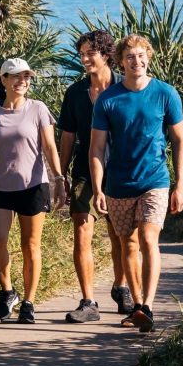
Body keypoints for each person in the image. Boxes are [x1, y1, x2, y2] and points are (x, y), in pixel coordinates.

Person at [90, 34, 183, 333]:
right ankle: (137, 305)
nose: (137, 61)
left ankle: (147, 306)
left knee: (148, 238)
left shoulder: (165, 93)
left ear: (149, 58)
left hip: (154, 180)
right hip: (118, 183)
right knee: (127, 244)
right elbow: (96, 148)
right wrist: (97, 189)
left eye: (142, 55)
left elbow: (180, 140)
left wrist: (179, 185)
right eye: (130, 57)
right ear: (120, 61)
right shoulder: (108, 99)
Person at [0, 58, 66, 324]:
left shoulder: (38, 109)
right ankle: (8, 292)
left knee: (30, 245)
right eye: (16, 77)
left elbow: (49, 147)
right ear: (4, 80)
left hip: (33, 186)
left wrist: (58, 179)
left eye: (27, 77)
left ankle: (29, 303)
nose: (23, 81)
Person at [58, 29, 134, 323]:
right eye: (82, 54)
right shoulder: (75, 93)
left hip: (119, 172)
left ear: (106, 55)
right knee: (81, 232)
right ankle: (88, 301)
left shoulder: (124, 89)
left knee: (120, 235)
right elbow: (67, 136)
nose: (85, 59)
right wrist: (60, 175)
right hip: (83, 173)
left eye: (91, 53)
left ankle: (122, 287)